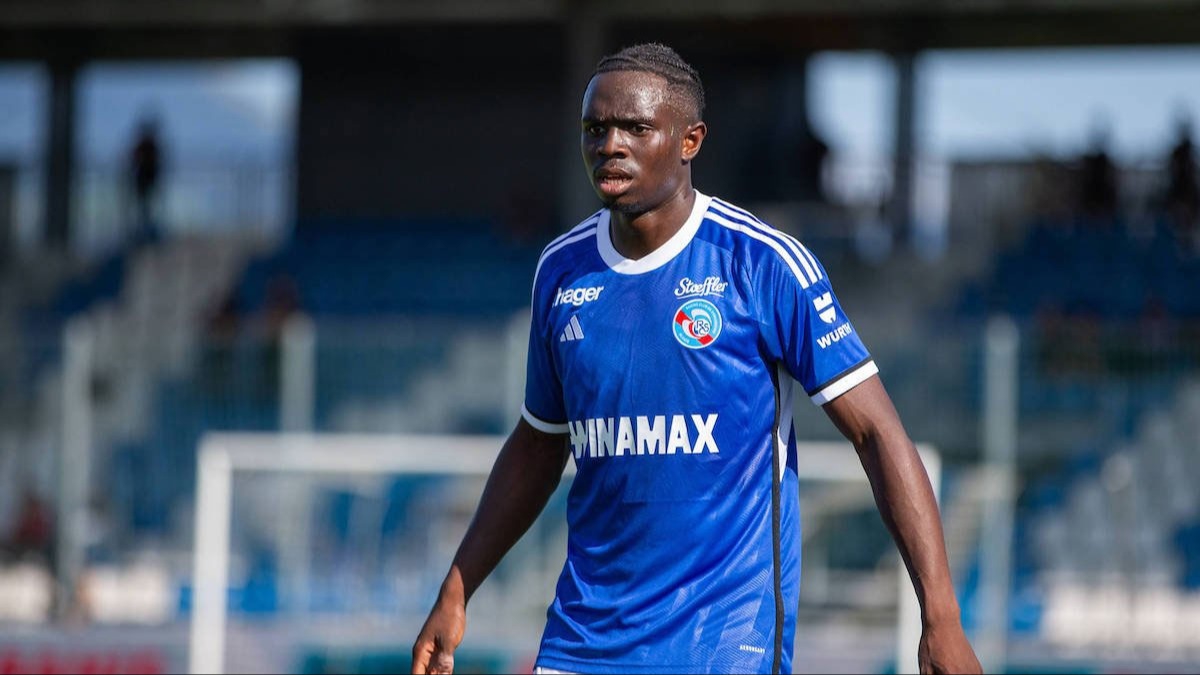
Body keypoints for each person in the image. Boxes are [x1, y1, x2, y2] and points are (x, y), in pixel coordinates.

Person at [411, 43, 980, 675]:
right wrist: (456, 591)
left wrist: (940, 617)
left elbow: (877, 432)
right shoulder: (560, 271)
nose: (610, 145)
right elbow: (539, 442)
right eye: (595, 129)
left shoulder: (761, 264)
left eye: (635, 127)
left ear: (690, 140)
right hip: (583, 645)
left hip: (723, 648)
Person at [128, 115, 162, 242]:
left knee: (145, 207)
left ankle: (145, 230)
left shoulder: (147, 145)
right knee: (146, 207)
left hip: (145, 180)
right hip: (146, 180)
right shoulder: (150, 145)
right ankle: (145, 230)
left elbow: (134, 160)